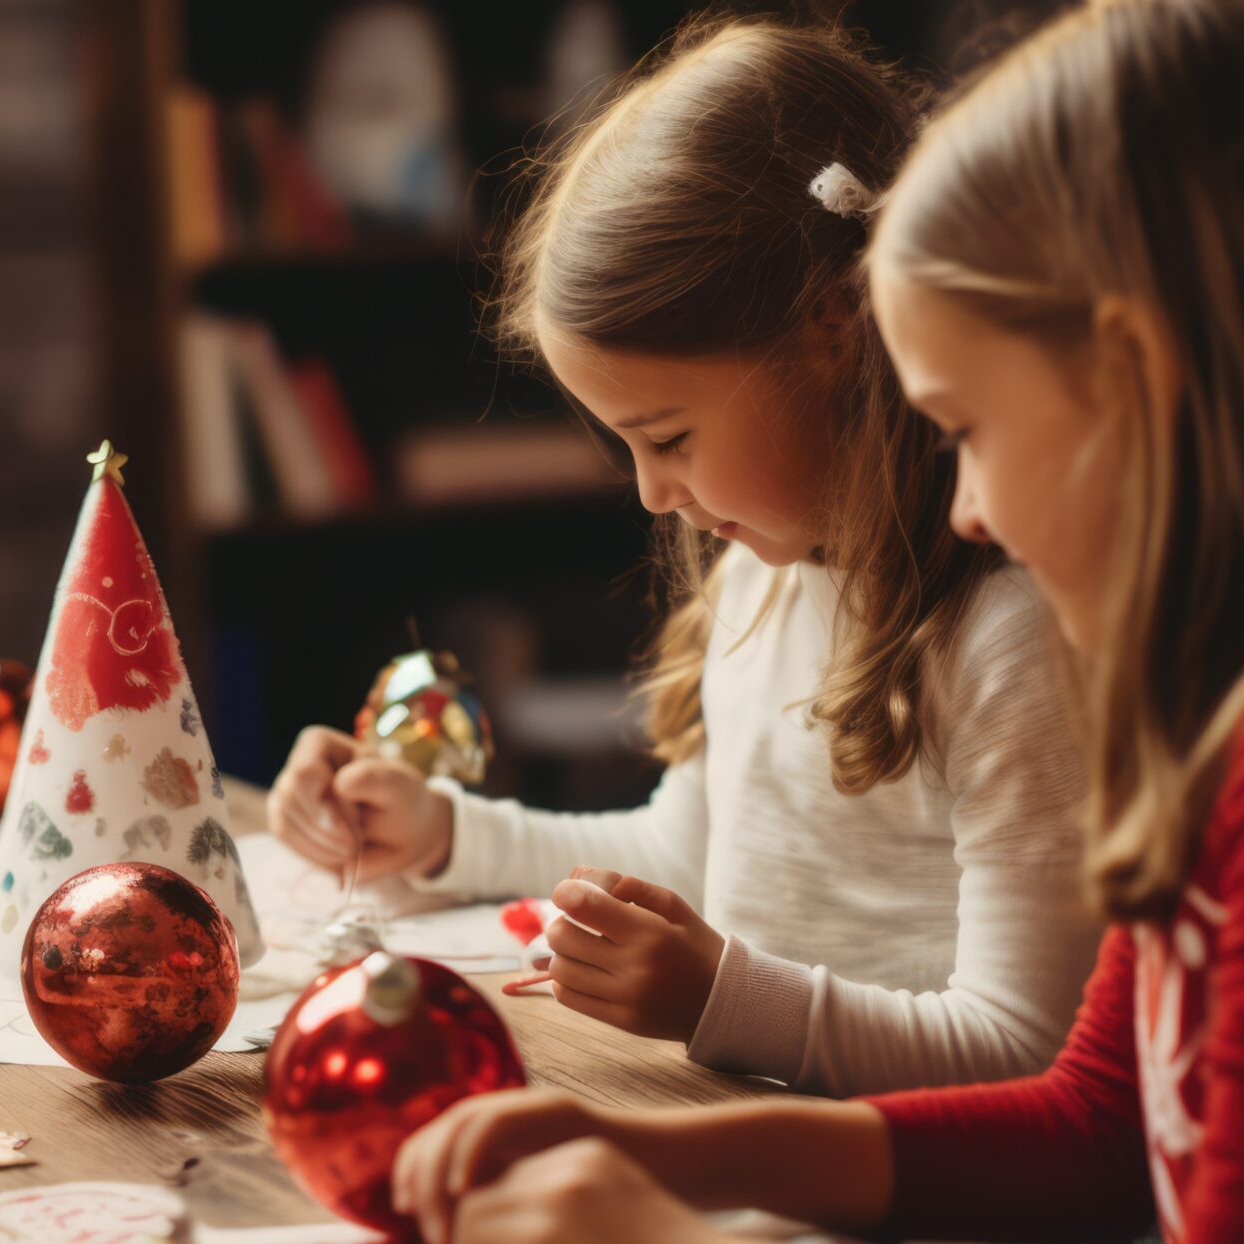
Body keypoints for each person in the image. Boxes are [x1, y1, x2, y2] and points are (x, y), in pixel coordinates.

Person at [394, 2, 1244, 1244]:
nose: (967, 504)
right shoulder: (1231, 700)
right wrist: (680, 1162)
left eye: (970, 429)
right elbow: (1093, 1123)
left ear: (1133, 378)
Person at [269, 15, 1099, 1096]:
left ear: (835, 329)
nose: (654, 493)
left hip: (924, 1223)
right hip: (763, 1161)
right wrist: (438, 833)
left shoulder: (1010, 639)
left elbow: (1027, 1053)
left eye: (667, 437)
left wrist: (719, 1000)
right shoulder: (761, 580)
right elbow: (685, 860)